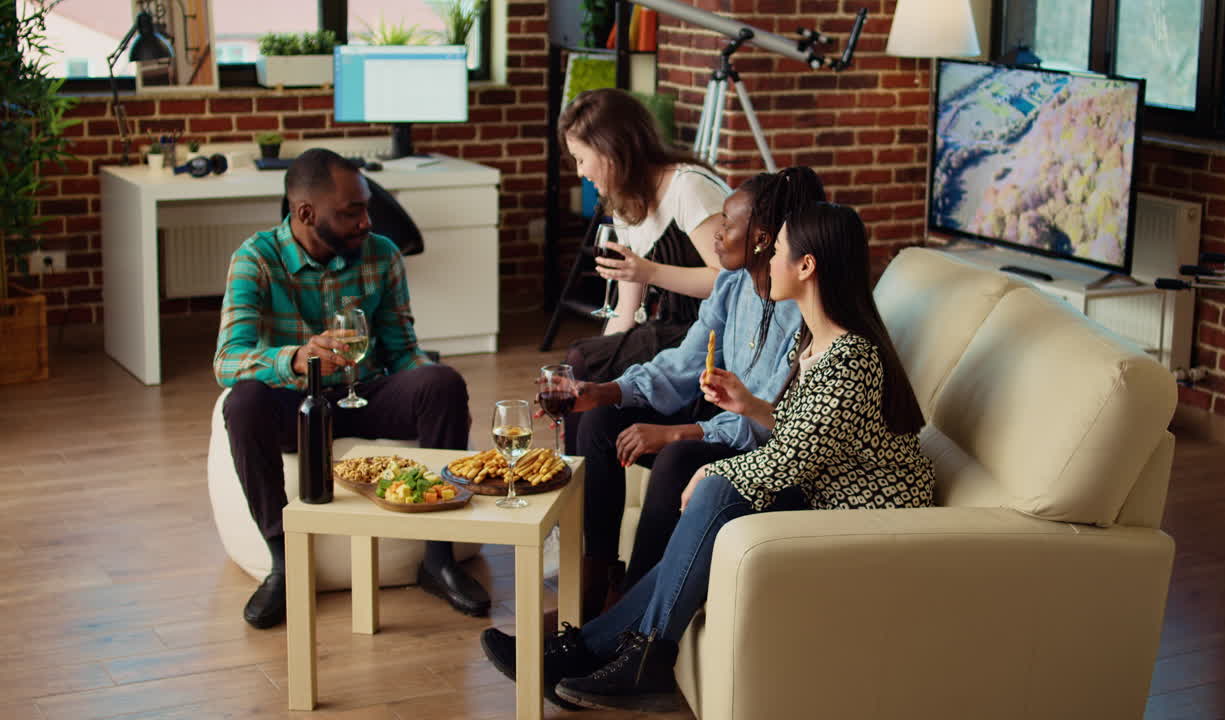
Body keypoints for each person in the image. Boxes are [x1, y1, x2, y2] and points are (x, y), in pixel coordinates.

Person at [481, 202, 936, 712]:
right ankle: (589, 652)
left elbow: (792, 459)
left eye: (778, 250)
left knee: (715, 485)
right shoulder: (815, 344)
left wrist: (713, 469)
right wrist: (752, 406)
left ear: (807, 266)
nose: (768, 259)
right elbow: (812, 433)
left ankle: (638, 658)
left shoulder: (851, 356)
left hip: (862, 516)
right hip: (823, 493)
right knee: (705, 516)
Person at [215, 148, 490, 630]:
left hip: (366, 392)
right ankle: (284, 562)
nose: (366, 221)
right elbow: (227, 360)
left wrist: (433, 389)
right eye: (351, 212)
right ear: (306, 213)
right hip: (297, 402)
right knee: (243, 402)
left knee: (441, 381)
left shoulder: (382, 254)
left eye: (366, 207)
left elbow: (403, 350)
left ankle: (438, 558)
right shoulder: (255, 259)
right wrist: (295, 358)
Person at [562, 167, 826, 624]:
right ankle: (594, 582)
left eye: (727, 225)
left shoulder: (801, 310)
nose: (716, 235)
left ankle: (630, 613)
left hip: (760, 443)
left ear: (763, 239)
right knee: (602, 422)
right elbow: (684, 363)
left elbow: (771, 420)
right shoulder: (733, 283)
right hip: (728, 418)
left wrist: (677, 433)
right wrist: (607, 391)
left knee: (678, 459)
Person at [558, 89, 731, 453]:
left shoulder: (688, 187)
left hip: (712, 333)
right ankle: (574, 467)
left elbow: (730, 281)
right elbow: (626, 310)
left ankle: (571, 472)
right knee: (579, 365)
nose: (580, 172)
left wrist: (649, 272)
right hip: (666, 327)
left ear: (610, 150)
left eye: (581, 159)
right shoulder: (625, 201)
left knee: (581, 363)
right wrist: (602, 355)